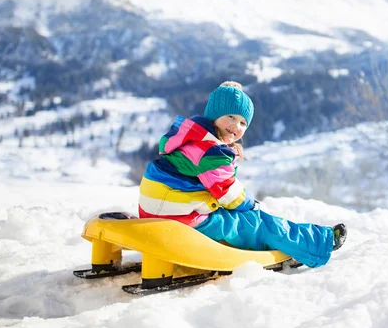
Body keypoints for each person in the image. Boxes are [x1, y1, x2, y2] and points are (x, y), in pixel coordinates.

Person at [138, 81, 347, 268]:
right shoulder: (212, 152)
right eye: (230, 116)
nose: (236, 126)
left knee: (241, 217)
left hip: (156, 211)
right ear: (214, 116)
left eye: (243, 123)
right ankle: (319, 242)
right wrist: (251, 205)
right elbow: (229, 193)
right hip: (182, 219)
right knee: (257, 223)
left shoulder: (191, 138)